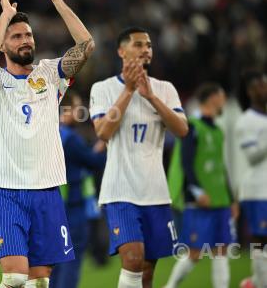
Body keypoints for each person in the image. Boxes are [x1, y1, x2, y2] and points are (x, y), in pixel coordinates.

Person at [0, 0, 95, 288]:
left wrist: (57, 0)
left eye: (28, 35)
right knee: (14, 277)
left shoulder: (50, 74)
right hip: (5, 189)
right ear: (3, 45)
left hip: (46, 189)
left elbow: (86, 45)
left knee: (40, 282)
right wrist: (6, 16)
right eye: (16, 36)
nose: (25, 40)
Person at [89, 27, 188, 288]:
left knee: (146, 271)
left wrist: (151, 97)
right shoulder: (103, 88)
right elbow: (103, 132)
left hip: (155, 192)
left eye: (149, 45)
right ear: (122, 51)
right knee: (133, 259)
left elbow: (181, 130)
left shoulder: (165, 89)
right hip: (120, 192)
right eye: (138, 44)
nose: (146, 49)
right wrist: (129, 91)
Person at [165, 83, 238, 288]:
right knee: (195, 252)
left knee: (222, 249)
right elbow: (186, 163)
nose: (223, 100)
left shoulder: (218, 130)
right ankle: (169, 286)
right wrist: (197, 191)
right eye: (222, 96)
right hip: (199, 201)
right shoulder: (192, 127)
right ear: (213, 98)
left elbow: (220, 166)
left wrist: (231, 199)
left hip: (220, 199)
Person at [50, 90, 106, 288]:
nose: (79, 111)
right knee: (71, 263)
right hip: (73, 209)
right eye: (75, 107)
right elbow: (93, 162)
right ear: (65, 110)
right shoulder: (71, 138)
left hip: (52, 207)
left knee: (53, 263)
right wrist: (106, 144)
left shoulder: (50, 133)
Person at [235, 70, 267, 288]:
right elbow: (252, 156)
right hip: (258, 190)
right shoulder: (246, 121)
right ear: (250, 91)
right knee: (261, 243)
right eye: (259, 85)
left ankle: (254, 282)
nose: (264, 88)